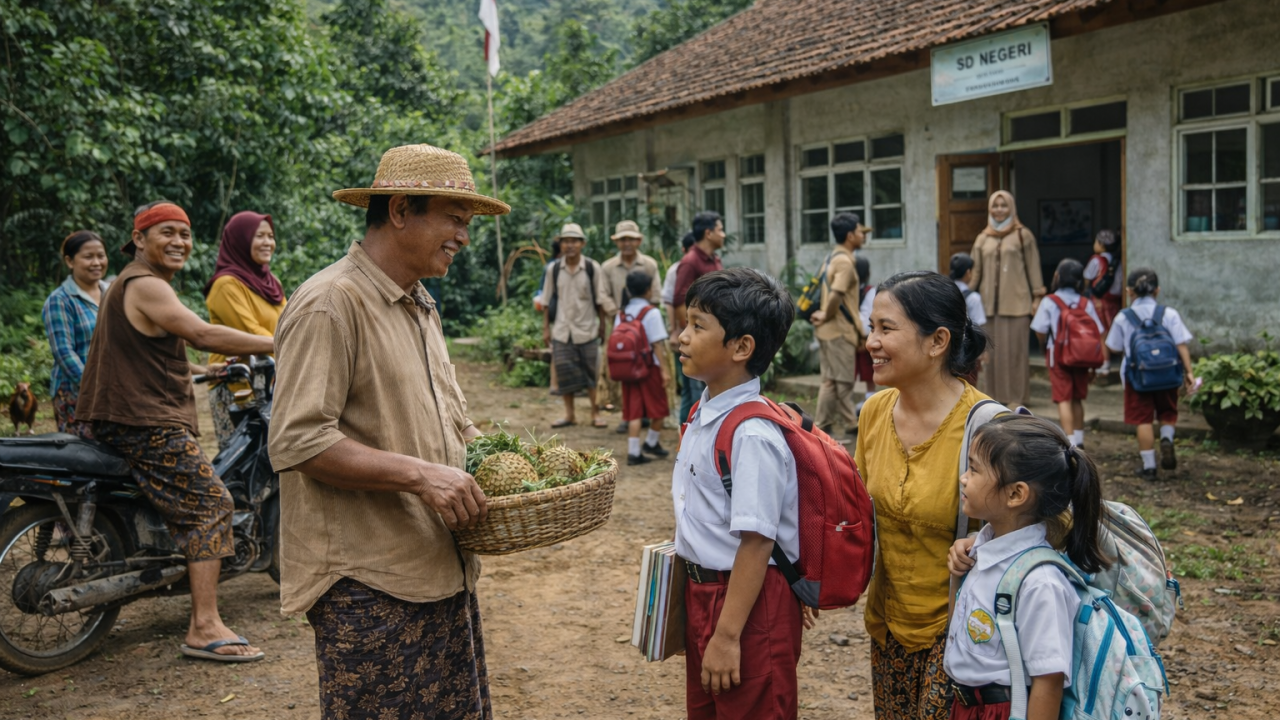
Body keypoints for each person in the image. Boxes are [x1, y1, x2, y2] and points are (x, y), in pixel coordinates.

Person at [268, 143, 506, 718]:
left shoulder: (419, 304)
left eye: (468, 223)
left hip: (435, 564)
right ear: (400, 210)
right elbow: (298, 439)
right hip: (368, 583)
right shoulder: (331, 303)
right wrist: (424, 475)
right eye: (453, 218)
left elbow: (451, 417)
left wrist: (498, 463)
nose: (464, 236)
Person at [77, 200, 275, 662]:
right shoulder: (146, 284)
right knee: (211, 504)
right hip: (146, 421)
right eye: (166, 232)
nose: (179, 242)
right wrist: (282, 340)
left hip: (126, 415)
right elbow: (202, 331)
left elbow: (145, 351)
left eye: (185, 234)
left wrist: (205, 372)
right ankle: (204, 626)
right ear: (139, 239)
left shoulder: (126, 284)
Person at [673, 267, 806, 719]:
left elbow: (757, 540)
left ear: (741, 347)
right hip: (708, 595)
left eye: (697, 325)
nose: (681, 337)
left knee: (752, 707)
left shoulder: (753, 434)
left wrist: (728, 635)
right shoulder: (702, 411)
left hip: (746, 604)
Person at [855, 270, 990, 720]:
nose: (871, 341)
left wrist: (983, 543)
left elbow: (1044, 522)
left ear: (937, 342)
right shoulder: (875, 412)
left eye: (886, 329)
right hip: (887, 625)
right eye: (872, 327)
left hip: (961, 628)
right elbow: (857, 511)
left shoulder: (986, 427)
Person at [943, 416, 1109, 720]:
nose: (963, 478)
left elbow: (1049, 683)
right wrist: (958, 575)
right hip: (966, 706)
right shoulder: (982, 550)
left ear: (1016, 494)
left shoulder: (1041, 583)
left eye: (975, 469)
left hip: (1003, 712)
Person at [1099, 268, 1194, 481]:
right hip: (1169, 374)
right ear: (1157, 290)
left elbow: (1113, 347)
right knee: (1168, 412)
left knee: (1143, 419)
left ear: (1129, 291)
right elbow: (1181, 344)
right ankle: (1167, 438)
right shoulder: (1169, 314)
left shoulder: (1123, 317)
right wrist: (1189, 373)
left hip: (1137, 377)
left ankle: (1149, 467)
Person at [203, 210, 286, 450]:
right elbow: (253, 332)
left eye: (271, 236)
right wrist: (296, 346)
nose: (268, 242)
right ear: (241, 239)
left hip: (270, 384)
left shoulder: (272, 283)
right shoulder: (225, 284)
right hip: (237, 386)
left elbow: (288, 323)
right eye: (259, 236)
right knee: (242, 467)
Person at [969, 191, 1045, 408]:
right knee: (991, 355)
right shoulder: (982, 238)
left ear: (1011, 208)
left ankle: (1017, 398)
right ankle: (992, 397)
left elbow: (1033, 267)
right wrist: (963, 296)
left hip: (1017, 305)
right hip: (987, 307)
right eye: (995, 205)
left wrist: (1038, 296)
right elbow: (975, 273)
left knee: (1016, 355)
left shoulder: (1023, 235)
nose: (999, 210)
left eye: (1004, 206)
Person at [542, 222, 612, 429]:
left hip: (587, 329)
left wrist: (602, 327)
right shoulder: (553, 269)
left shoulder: (592, 268)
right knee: (565, 374)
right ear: (560, 245)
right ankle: (569, 414)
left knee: (592, 373)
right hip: (563, 330)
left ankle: (595, 413)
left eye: (574, 241)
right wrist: (546, 328)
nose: (570, 245)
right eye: (566, 241)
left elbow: (600, 300)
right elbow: (546, 301)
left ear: (582, 244)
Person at [1031, 259, 1104, 449]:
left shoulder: (1049, 301)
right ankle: (1079, 441)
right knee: (1078, 398)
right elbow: (1098, 330)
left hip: (1058, 355)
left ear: (1057, 277)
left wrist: (1043, 344)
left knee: (1064, 398)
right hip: (1082, 356)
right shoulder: (1085, 303)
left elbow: (1039, 328)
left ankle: (1070, 443)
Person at [41, 230, 109, 437]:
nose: (96, 262)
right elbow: (64, 352)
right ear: (70, 261)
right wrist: (94, 387)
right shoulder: (60, 300)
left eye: (101, 255)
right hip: (76, 393)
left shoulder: (112, 292)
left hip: (112, 390)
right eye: (88, 257)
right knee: (83, 454)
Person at [810, 212, 867, 441]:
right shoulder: (844, 261)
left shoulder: (832, 257)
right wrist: (826, 313)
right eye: (861, 231)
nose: (863, 235)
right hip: (838, 330)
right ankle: (839, 426)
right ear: (851, 235)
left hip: (829, 331)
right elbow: (836, 294)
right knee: (842, 381)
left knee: (832, 380)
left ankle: (827, 426)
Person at [602, 219, 662, 429]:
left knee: (646, 367)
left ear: (638, 241)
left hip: (645, 328)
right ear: (617, 242)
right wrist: (620, 314)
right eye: (622, 239)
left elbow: (656, 294)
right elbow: (602, 295)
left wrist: (641, 316)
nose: (627, 243)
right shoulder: (608, 267)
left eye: (631, 239)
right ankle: (625, 416)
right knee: (622, 367)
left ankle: (644, 413)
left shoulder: (649, 264)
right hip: (619, 328)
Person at [674, 212, 726, 425]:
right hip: (700, 339)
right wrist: (692, 334)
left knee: (692, 391)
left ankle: (685, 435)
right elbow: (678, 301)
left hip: (711, 335)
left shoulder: (715, 260)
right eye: (720, 229)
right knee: (697, 392)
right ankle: (692, 437)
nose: (723, 235)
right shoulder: (690, 262)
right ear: (708, 233)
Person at [615, 270, 671, 465]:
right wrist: (664, 370)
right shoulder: (651, 313)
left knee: (633, 411)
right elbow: (657, 345)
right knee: (659, 409)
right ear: (648, 290)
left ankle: (634, 451)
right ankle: (651, 442)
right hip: (649, 369)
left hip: (628, 369)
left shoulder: (622, 313)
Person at [664, 232, 697, 423]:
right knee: (689, 386)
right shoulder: (676, 270)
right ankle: (686, 429)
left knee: (691, 386)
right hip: (683, 334)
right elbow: (670, 301)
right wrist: (675, 330)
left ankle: (686, 428)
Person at [949, 253, 989, 388]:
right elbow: (979, 326)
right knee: (968, 387)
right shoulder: (973, 298)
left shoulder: (944, 292)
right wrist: (983, 351)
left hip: (947, 348)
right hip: (968, 349)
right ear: (968, 272)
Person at [1083, 229, 1123, 332]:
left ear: (1101, 245)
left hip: (1098, 303)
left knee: (1100, 331)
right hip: (1116, 303)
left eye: (1096, 242)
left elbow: (1087, 279)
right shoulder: (1119, 262)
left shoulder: (1096, 260)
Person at [855, 255, 877, 414]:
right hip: (865, 336)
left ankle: (868, 399)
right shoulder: (871, 292)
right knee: (869, 370)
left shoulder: (848, 291)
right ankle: (869, 396)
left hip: (852, 336)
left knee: (861, 369)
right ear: (868, 273)